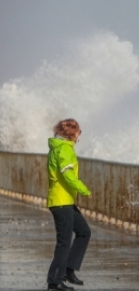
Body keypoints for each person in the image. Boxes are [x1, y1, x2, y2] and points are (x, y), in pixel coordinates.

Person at [46, 119, 92, 291]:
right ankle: (54, 280)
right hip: (60, 202)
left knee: (84, 232)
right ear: (71, 133)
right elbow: (68, 174)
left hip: (65, 201)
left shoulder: (59, 147)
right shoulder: (64, 149)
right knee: (64, 242)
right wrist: (84, 189)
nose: (80, 134)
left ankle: (68, 270)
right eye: (79, 131)